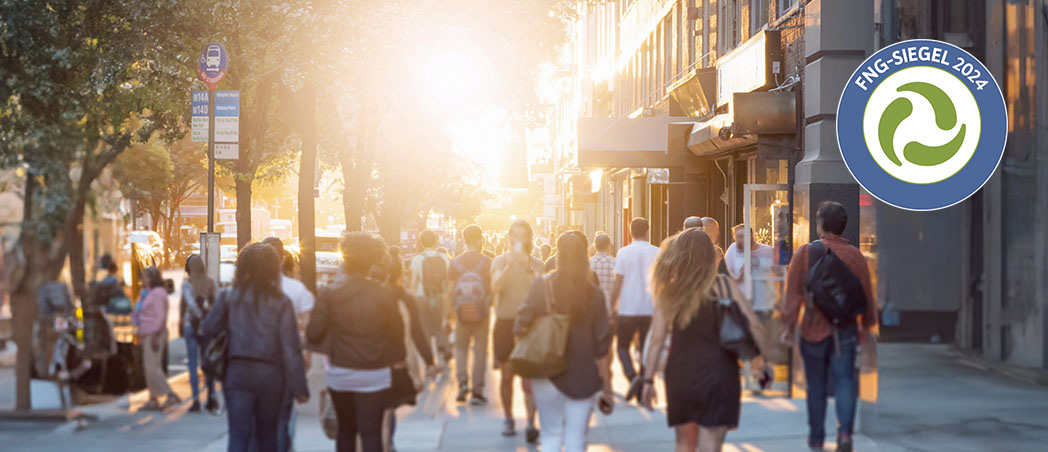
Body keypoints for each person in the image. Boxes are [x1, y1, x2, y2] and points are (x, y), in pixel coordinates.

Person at [640, 227, 769, 452]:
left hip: (681, 375)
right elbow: (754, 324)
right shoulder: (723, 285)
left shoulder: (670, 290)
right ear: (710, 256)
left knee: (683, 443)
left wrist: (648, 380)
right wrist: (762, 360)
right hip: (720, 374)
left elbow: (656, 339)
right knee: (711, 445)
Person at [781, 201, 877, 452]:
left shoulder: (805, 253)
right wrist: (867, 327)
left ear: (820, 224)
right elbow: (865, 295)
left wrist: (787, 327)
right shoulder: (856, 256)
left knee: (816, 386)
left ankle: (816, 439)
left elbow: (792, 295)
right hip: (844, 329)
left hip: (812, 328)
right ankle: (845, 435)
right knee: (845, 382)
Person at [200, 244, 309, 452]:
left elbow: (208, 328)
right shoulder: (282, 302)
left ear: (242, 266)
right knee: (267, 435)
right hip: (271, 375)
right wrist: (299, 387)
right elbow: (290, 348)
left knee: (239, 433)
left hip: (237, 372)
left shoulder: (229, 297)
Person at [515, 231, 612, 452]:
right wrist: (606, 386)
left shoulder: (542, 285)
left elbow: (520, 325)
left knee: (550, 435)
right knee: (576, 438)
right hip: (583, 376)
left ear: (558, 254)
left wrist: (525, 372)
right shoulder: (594, 294)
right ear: (584, 256)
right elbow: (602, 345)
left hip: (545, 372)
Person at [306, 232, 404, 452]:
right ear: (371, 261)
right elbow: (398, 334)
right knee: (371, 431)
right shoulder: (383, 293)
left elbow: (313, 333)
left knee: (346, 430)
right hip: (375, 372)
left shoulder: (329, 293)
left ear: (345, 259)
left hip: (340, 371)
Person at [490, 220, 543, 440]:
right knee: (507, 375)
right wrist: (511, 265)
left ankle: (531, 422)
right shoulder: (499, 261)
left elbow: (543, 291)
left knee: (529, 377)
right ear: (509, 237)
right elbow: (495, 287)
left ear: (529, 238)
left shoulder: (536, 263)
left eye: (523, 236)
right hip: (505, 323)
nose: (519, 240)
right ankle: (509, 418)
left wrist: (526, 266)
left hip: (529, 325)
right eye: (515, 235)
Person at [262, 236, 316, 452]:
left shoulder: (248, 289)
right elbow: (308, 327)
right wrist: (307, 354)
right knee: (285, 417)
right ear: (282, 258)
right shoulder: (296, 289)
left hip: (256, 360)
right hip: (286, 360)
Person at [610, 217, 660, 398]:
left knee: (622, 346)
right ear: (648, 231)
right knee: (647, 348)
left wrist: (612, 304)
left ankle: (632, 377)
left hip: (628, 308)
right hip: (650, 308)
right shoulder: (658, 252)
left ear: (631, 232)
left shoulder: (623, 253)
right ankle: (645, 386)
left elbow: (618, 282)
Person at [724, 225, 776, 391]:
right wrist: (738, 275)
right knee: (750, 342)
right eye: (738, 237)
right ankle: (757, 375)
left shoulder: (768, 251)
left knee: (761, 340)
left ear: (752, 236)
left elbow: (779, 274)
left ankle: (761, 373)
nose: (741, 240)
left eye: (744, 236)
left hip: (764, 303)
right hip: (743, 305)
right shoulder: (732, 251)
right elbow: (727, 275)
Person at [447, 224, 493, 405]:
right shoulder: (487, 262)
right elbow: (494, 288)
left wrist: (449, 313)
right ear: (480, 239)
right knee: (480, 350)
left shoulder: (455, 263)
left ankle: (463, 384)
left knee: (461, 349)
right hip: (482, 313)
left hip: (461, 312)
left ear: (464, 239)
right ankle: (478, 390)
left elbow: (450, 291)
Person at [134, 266, 180, 410]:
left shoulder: (158, 294)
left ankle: (170, 394)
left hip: (154, 333)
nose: (142, 279)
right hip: (147, 333)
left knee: (152, 367)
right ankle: (153, 398)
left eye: (145, 276)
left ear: (152, 278)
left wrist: (155, 334)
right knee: (149, 368)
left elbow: (160, 316)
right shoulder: (149, 293)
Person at [409, 230, 452, 365]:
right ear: (436, 241)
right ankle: (444, 348)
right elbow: (449, 279)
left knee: (425, 327)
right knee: (439, 325)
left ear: (421, 242)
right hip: (440, 296)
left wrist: (411, 298)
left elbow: (414, 282)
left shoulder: (417, 259)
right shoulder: (444, 258)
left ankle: (429, 360)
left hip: (422, 297)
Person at [181, 255, 218, 413]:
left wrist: (196, 316)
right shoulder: (210, 283)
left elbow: (189, 303)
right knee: (208, 362)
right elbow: (216, 303)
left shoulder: (187, 285)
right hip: (207, 327)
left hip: (191, 326)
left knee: (192, 363)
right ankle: (212, 396)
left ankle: (196, 399)